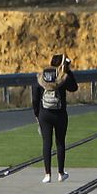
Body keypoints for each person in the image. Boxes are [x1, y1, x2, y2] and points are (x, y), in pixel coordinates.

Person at [31, 52, 78, 182]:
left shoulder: (41, 77)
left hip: (44, 114)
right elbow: (74, 88)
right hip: (60, 114)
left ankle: (47, 175)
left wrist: (37, 114)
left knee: (47, 143)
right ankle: (61, 173)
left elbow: (35, 98)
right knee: (60, 142)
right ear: (62, 65)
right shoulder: (63, 77)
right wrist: (68, 71)